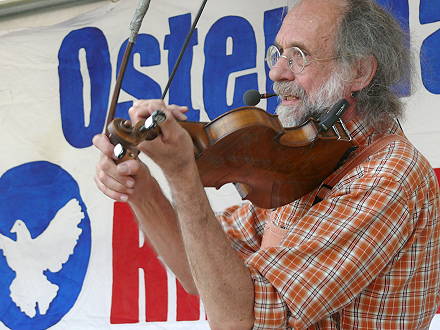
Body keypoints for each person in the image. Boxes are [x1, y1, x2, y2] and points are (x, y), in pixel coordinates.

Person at [93, 0, 440, 328]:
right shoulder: (306, 159)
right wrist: (142, 190)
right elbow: (199, 271)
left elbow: (239, 319)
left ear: (359, 71)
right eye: (277, 53)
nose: (276, 72)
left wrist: (183, 174)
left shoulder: (389, 173)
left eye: (298, 56)